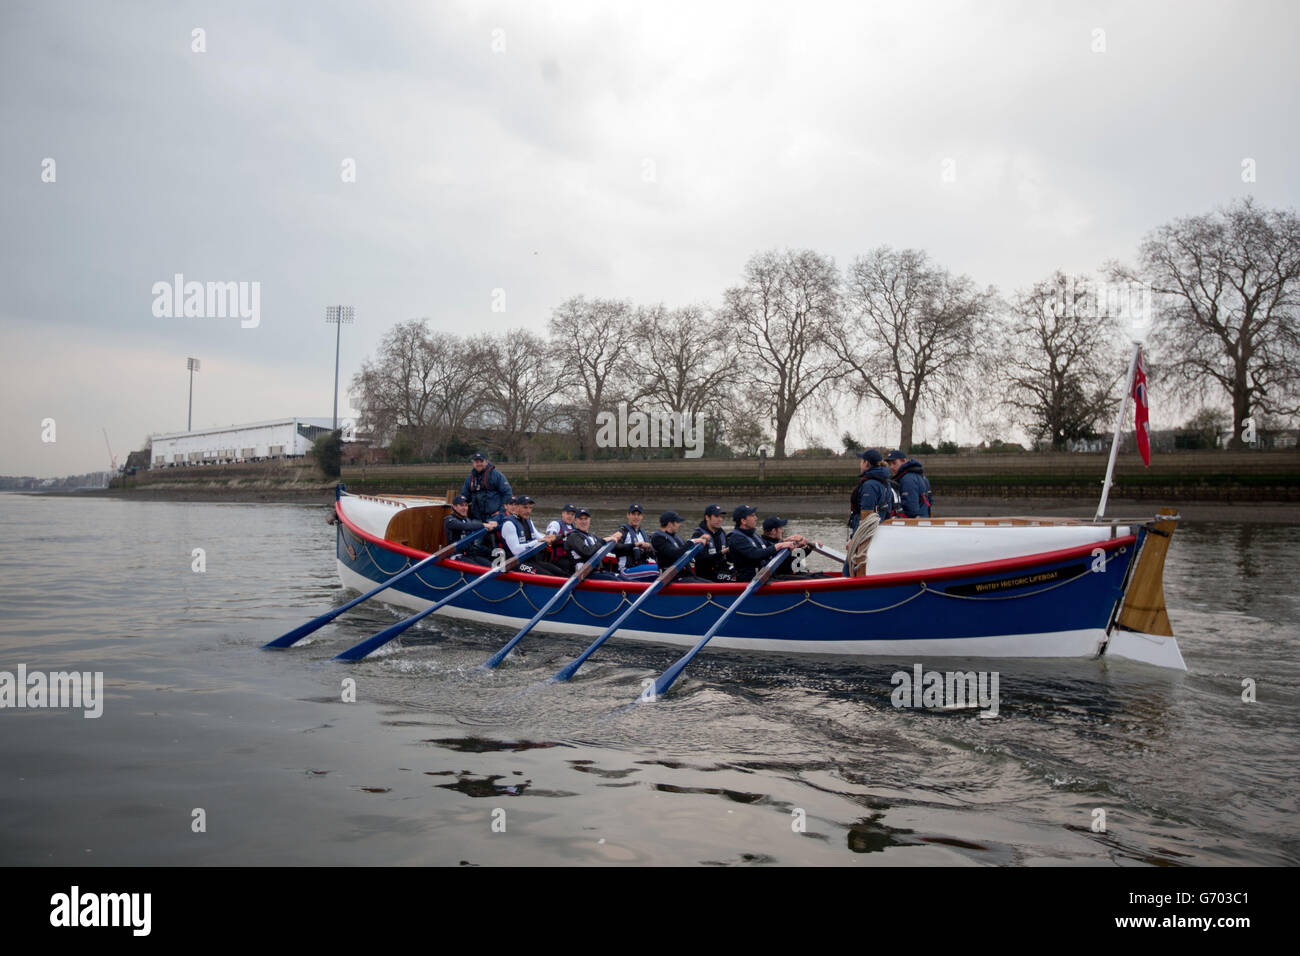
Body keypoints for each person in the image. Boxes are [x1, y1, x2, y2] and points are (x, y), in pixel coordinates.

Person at [727, 504, 800, 582]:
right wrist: (780, 545)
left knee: (807, 578)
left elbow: (769, 546)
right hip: (750, 582)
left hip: (763, 578)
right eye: (752, 516)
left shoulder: (753, 535)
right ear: (743, 521)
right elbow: (754, 554)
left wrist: (788, 542)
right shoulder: (736, 538)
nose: (756, 518)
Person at [501, 494, 565, 575]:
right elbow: (516, 550)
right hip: (513, 563)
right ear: (517, 507)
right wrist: (537, 541)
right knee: (547, 575)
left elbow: (540, 537)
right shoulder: (509, 524)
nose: (528, 511)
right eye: (525, 507)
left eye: (530, 508)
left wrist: (554, 537)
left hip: (529, 560)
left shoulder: (528, 521)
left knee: (559, 572)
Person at [563, 508, 623, 579]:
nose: (584, 521)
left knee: (621, 578)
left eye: (586, 519)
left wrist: (633, 545)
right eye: (581, 519)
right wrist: (603, 540)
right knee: (616, 580)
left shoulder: (592, 536)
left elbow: (603, 546)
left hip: (596, 571)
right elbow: (587, 552)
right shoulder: (573, 536)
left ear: (589, 520)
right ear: (575, 520)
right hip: (582, 575)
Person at [650, 511, 710, 579]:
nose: (679, 524)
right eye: (677, 522)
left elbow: (685, 547)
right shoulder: (658, 539)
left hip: (683, 575)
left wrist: (699, 539)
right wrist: (693, 541)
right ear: (670, 524)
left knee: (709, 583)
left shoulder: (674, 536)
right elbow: (675, 553)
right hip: (670, 578)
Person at [850, 449, 899, 531]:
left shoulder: (870, 485)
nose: (860, 464)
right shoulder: (886, 482)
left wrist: (856, 539)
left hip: (866, 534)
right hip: (879, 530)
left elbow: (866, 515)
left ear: (866, 463)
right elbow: (888, 511)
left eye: (861, 461)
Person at [443, 494, 498, 565]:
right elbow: (464, 526)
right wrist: (484, 525)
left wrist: (493, 524)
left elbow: (473, 525)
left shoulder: (467, 520)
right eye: (461, 505)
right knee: (478, 568)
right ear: (454, 507)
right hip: (456, 555)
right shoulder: (450, 520)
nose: (464, 508)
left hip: (469, 554)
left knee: (490, 565)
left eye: (466, 505)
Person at [460, 452, 512, 522]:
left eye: (481, 461)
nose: (479, 464)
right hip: (476, 519)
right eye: (476, 462)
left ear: (486, 462)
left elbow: (507, 494)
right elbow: (464, 497)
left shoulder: (497, 475)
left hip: (494, 517)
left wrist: (502, 511)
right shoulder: (469, 479)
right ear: (473, 463)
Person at [691, 504, 733, 582]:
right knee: (737, 579)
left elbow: (729, 558)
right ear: (707, 517)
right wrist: (721, 552)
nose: (720, 519)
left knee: (743, 574)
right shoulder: (698, 535)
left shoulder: (721, 533)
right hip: (707, 575)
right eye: (717, 516)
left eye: (721, 517)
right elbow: (701, 559)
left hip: (722, 570)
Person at [886, 449, 933, 517]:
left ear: (904, 461)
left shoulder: (907, 479)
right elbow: (930, 501)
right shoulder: (920, 475)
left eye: (894, 463)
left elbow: (911, 509)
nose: (891, 467)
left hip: (913, 524)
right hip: (923, 519)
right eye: (889, 464)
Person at [615, 503, 657, 571]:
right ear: (628, 515)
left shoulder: (643, 534)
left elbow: (653, 554)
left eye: (638, 514)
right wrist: (635, 545)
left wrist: (650, 546)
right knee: (657, 569)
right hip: (626, 571)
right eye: (633, 514)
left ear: (642, 516)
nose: (636, 517)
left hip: (641, 569)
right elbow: (615, 547)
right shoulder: (623, 532)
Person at [545, 503, 580, 572]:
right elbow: (549, 538)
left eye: (572, 515)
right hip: (557, 559)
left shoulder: (575, 528)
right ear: (563, 514)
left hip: (570, 557)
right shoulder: (555, 524)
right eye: (568, 513)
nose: (570, 516)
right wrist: (563, 535)